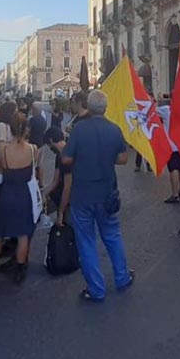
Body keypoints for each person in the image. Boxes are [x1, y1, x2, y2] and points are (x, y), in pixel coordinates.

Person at [61, 90, 133, 301]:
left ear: (89, 108)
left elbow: (65, 160)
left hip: (82, 194)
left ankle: (96, 289)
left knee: (86, 242)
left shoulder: (79, 130)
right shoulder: (114, 129)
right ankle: (122, 277)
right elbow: (123, 159)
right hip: (107, 192)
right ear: (106, 108)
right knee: (112, 236)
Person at [0, 118, 38, 285]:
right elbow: (35, 171)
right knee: (23, 234)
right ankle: (19, 269)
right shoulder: (33, 149)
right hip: (24, 195)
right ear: (26, 130)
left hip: (7, 194)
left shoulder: (3, 150)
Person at [160, 100, 180, 203]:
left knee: (173, 169)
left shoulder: (167, 110)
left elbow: (151, 110)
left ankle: (175, 194)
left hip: (171, 144)